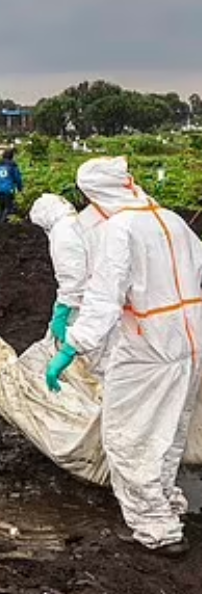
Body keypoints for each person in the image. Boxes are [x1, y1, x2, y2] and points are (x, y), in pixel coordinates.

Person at [48, 157, 202, 556]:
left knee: (128, 439)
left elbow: (104, 299)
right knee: (167, 434)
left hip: (147, 348)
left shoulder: (122, 227)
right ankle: (165, 506)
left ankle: (156, 530)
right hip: (188, 345)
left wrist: (71, 347)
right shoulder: (171, 220)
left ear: (94, 192)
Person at [28, 194, 88, 345]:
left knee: (72, 345)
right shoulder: (78, 222)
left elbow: (73, 278)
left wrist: (62, 312)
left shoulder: (63, 233)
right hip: (95, 299)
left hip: (81, 304)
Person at [0, 149, 23, 223]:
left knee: (1, 208)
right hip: (9, 191)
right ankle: (1, 224)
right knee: (8, 208)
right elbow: (18, 179)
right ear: (12, 157)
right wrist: (20, 189)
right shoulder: (13, 166)